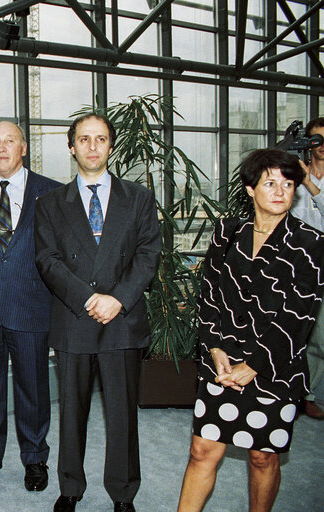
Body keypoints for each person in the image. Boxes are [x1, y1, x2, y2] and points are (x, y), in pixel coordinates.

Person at [177, 149, 324, 512]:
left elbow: (299, 317)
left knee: (262, 457)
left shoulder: (311, 244)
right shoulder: (227, 232)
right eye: (270, 183)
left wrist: (254, 365)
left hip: (275, 366)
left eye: (288, 184)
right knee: (202, 450)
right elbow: (208, 295)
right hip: (222, 361)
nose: (280, 191)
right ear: (250, 188)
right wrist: (214, 350)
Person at [34, 113, 161, 512]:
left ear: (110, 146)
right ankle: (70, 487)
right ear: (71, 147)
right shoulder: (51, 203)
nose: (92, 146)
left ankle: (123, 494)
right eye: (84, 139)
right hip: (75, 321)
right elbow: (47, 259)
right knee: (72, 413)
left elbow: (148, 254)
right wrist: (88, 299)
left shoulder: (138, 197)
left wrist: (117, 299)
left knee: (122, 417)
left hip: (121, 321)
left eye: (100, 139)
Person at [0, 121, 60, 491]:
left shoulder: (51, 193)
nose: (1, 148)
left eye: (9, 141)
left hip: (31, 307)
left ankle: (35, 458)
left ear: (24, 147)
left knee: (34, 387)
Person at [289, 117, 324, 419]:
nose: (320, 145)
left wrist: (308, 183)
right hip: (298, 265)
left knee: (321, 336)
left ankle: (315, 396)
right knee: (297, 332)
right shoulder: (293, 173)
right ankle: (301, 393)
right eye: (315, 139)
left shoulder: (307, 179)